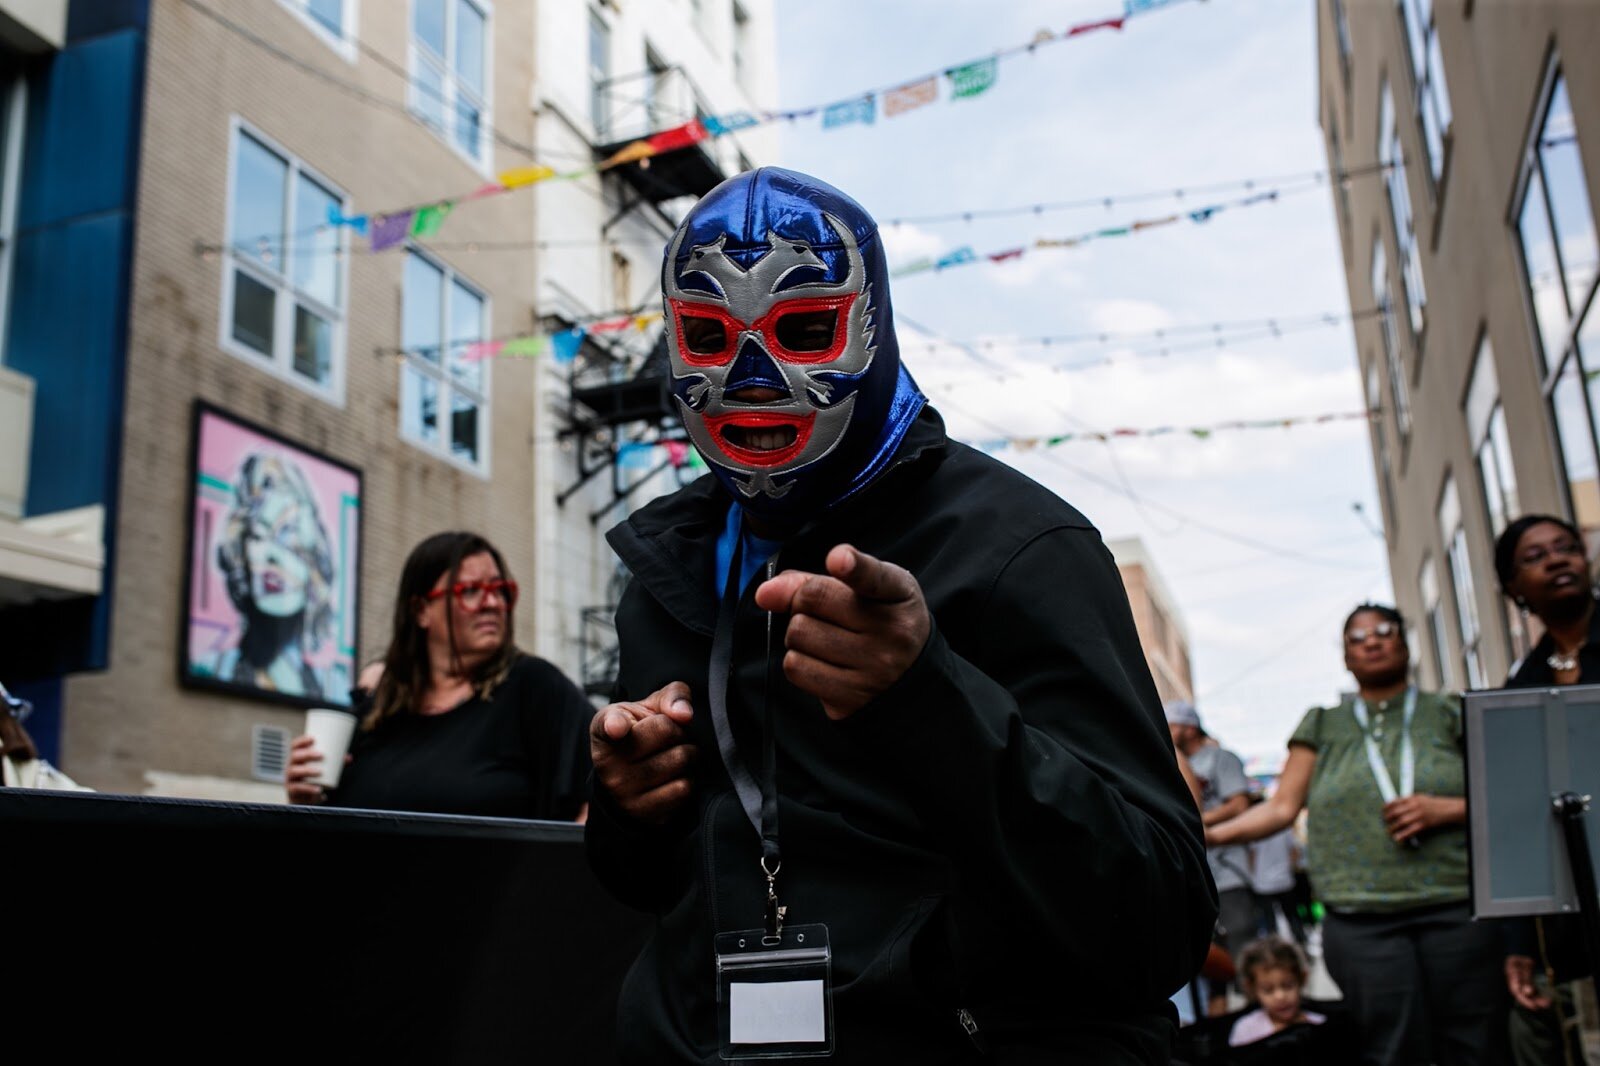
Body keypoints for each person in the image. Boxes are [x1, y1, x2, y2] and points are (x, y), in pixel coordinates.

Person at [584, 168, 1216, 1064]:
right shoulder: (672, 569)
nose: (752, 378)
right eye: (710, 337)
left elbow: (1159, 918)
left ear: (872, 327)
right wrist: (627, 805)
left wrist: (931, 700)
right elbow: (653, 884)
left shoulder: (1021, 548)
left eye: (804, 331)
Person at [1208, 604, 1508, 1066]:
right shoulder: (1323, 724)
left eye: (1384, 631)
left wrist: (1450, 809)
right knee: (1389, 1048)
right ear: (1346, 658)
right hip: (1362, 921)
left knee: (1475, 1043)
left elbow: (1507, 796)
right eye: (1357, 636)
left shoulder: (1449, 711)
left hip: (1456, 908)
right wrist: (1207, 835)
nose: (1372, 640)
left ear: (1405, 644)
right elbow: (1281, 808)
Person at [284, 531, 592, 821]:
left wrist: (564, 870)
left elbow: (605, 790)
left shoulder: (533, 684)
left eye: (500, 589)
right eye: (470, 591)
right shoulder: (377, 710)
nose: (493, 603)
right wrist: (305, 799)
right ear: (420, 610)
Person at [1493, 514, 1594, 1066]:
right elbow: (1519, 819)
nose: (1557, 560)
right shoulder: (1522, 688)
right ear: (1513, 587)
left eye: (1566, 547)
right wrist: (1519, 944)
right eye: (1535, 556)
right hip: (1577, 922)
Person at [213, 451, 348, 701]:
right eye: (258, 535)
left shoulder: (336, 686)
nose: (271, 555)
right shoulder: (213, 667)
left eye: (286, 531)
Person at [1167, 699, 1256, 1013]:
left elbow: (1239, 804)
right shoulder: (1171, 759)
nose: (1166, 730)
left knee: (1244, 956)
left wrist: (1201, 824)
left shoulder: (1220, 759)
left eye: (1172, 724)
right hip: (1199, 875)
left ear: (1189, 728)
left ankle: (1260, 1021)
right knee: (1210, 962)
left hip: (1230, 874)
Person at [1229, 936, 1325, 1047]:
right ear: (1252, 988)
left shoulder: (1319, 1024)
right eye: (1268, 990)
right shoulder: (1246, 1031)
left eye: (1288, 986)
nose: (1280, 996)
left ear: (1302, 979)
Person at [1248, 827, 1307, 947]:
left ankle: (1274, 950)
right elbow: (1294, 852)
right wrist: (1289, 869)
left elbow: (1252, 856)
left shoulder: (1256, 828)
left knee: (1270, 922)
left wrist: (1253, 876)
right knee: (1292, 917)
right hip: (1284, 880)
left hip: (1262, 883)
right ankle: (1302, 945)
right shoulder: (1284, 827)